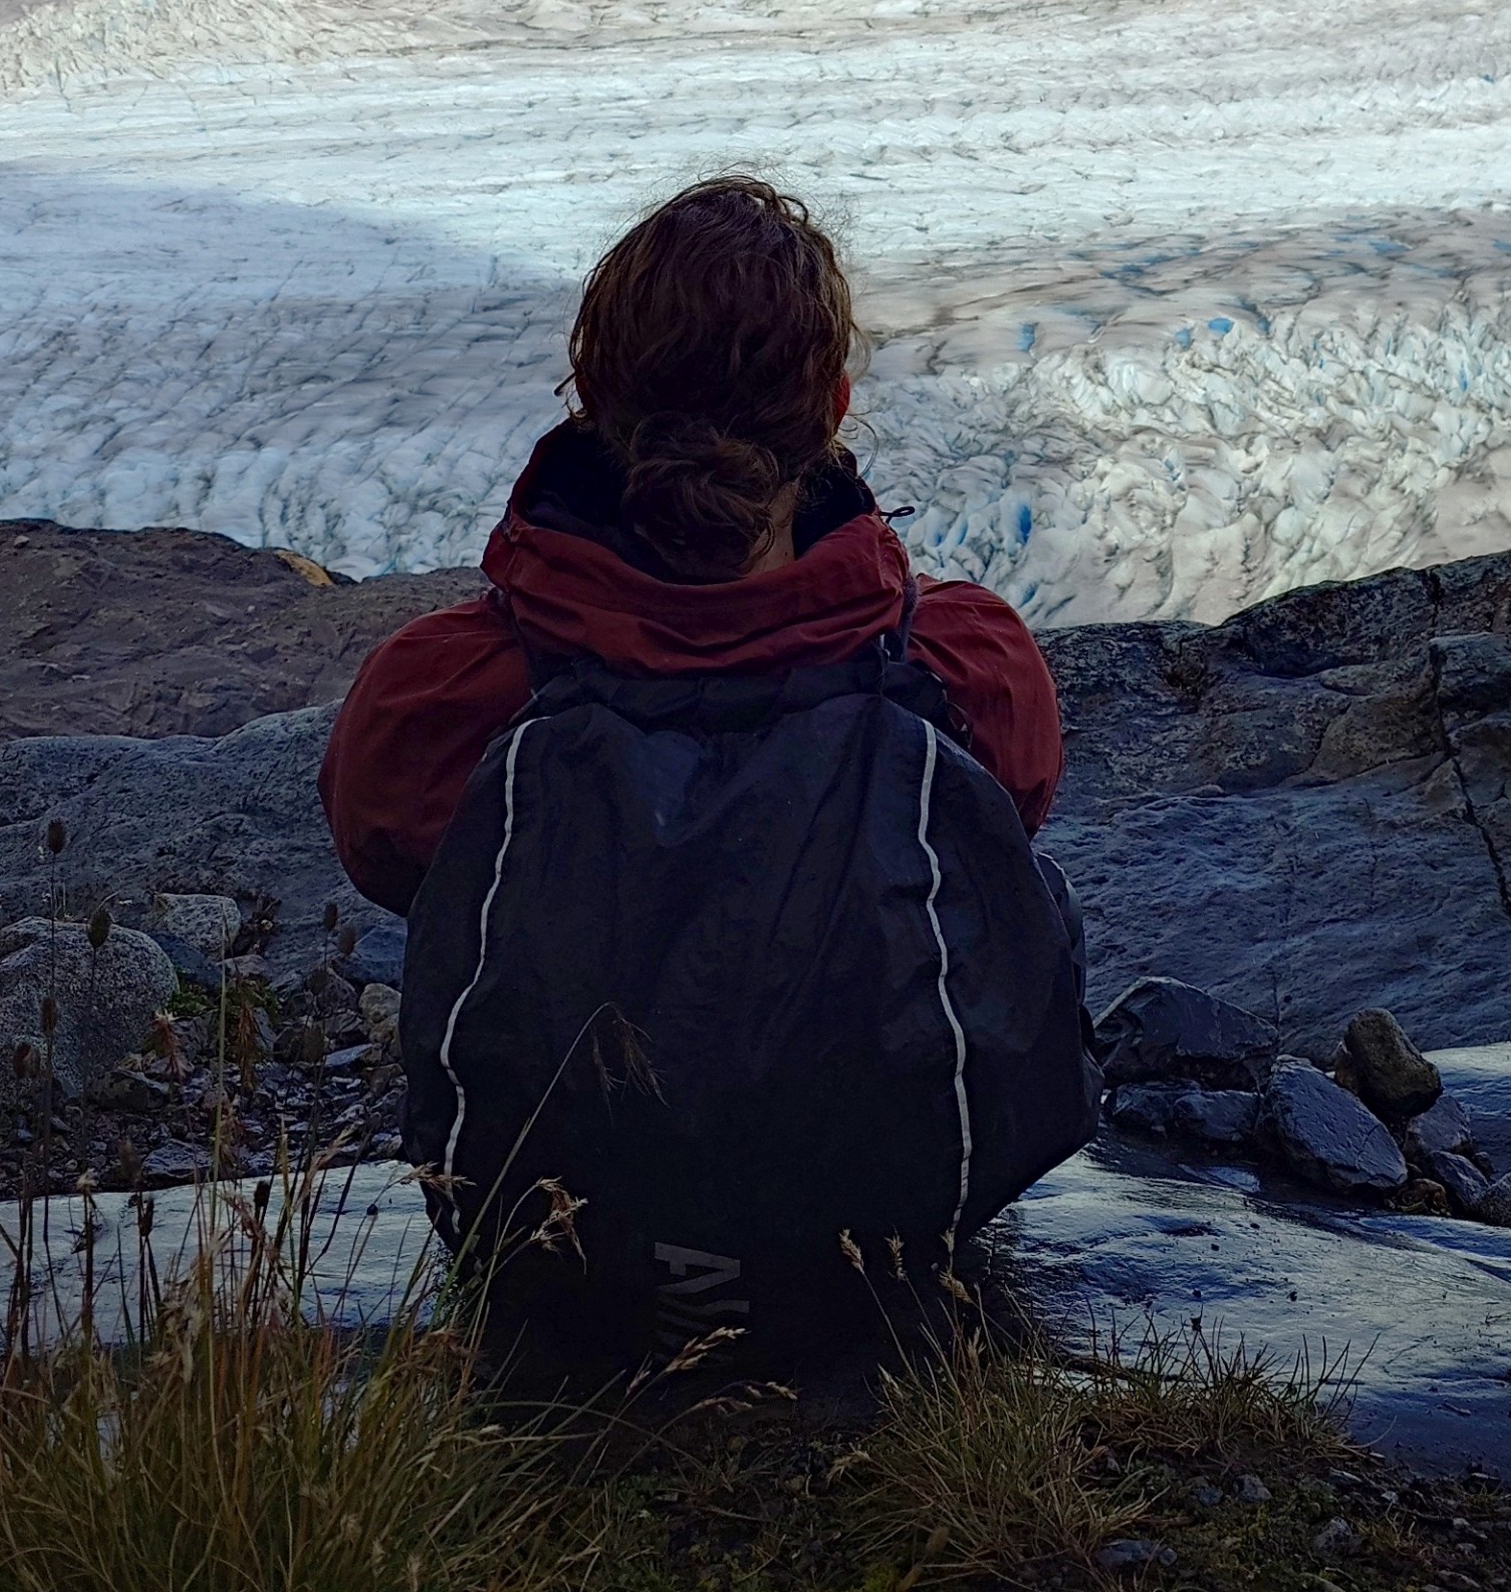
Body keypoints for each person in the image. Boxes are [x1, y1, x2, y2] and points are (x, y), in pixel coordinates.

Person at [321, 175, 1092, 1360]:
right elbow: (1013, 818)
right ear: (833, 404)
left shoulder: (445, 698)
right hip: (870, 1256)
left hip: (571, 1269)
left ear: (592, 398)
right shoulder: (964, 671)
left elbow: (384, 850)